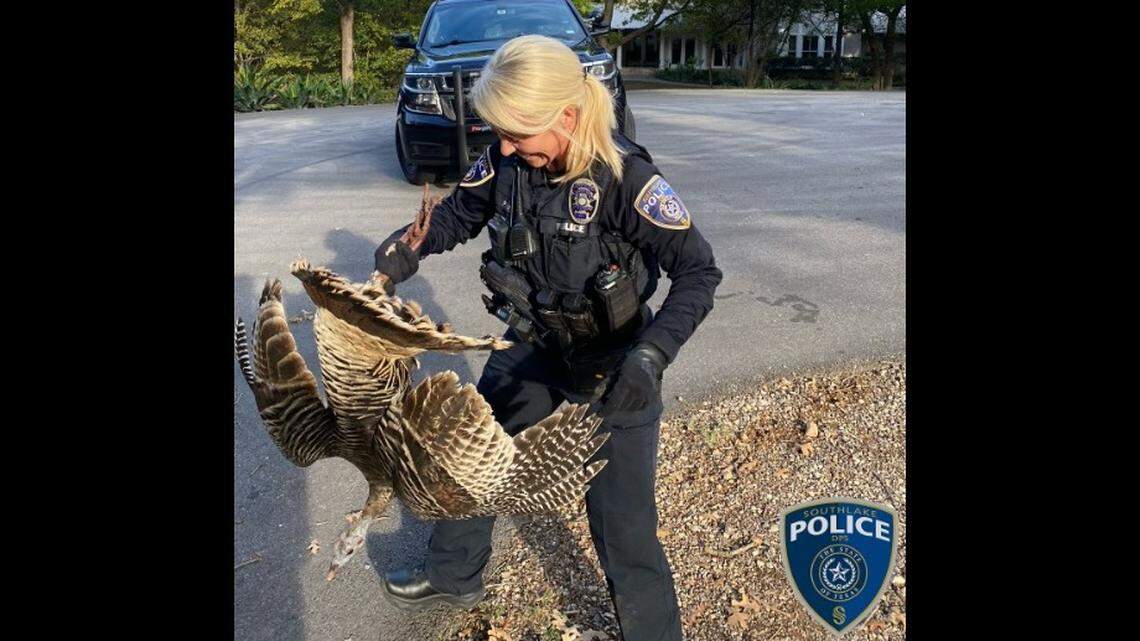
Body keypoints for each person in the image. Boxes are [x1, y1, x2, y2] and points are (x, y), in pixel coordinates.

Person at [373, 35, 721, 641]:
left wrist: (651, 356)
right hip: (530, 345)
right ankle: (455, 575)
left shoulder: (625, 180)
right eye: (499, 133)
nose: (504, 146)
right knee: (471, 459)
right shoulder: (508, 157)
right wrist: (409, 247)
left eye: (516, 134)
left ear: (567, 114)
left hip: (616, 364)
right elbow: (459, 214)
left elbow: (699, 272)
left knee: (622, 522)